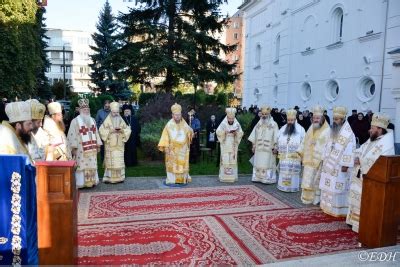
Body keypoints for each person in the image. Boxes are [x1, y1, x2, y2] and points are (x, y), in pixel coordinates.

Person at [346, 113, 394, 232]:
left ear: (379, 129)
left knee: (364, 202)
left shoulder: (386, 145)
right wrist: (356, 156)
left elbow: (380, 163)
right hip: (360, 176)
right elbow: (361, 149)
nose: (370, 130)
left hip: (371, 180)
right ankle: (353, 221)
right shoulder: (372, 139)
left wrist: (360, 161)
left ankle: (360, 223)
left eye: (372, 128)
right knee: (356, 200)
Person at [319, 106, 356, 217]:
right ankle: (326, 206)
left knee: (337, 187)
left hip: (339, 166)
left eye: (337, 119)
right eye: (334, 119)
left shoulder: (349, 134)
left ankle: (337, 210)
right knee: (328, 186)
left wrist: (346, 164)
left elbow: (351, 149)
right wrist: (323, 158)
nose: (334, 121)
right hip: (329, 165)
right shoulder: (332, 131)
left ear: (343, 120)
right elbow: (326, 145)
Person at [67, 99, 102, 188]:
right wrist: (74, 147)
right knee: (81, 165)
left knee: (92, 164)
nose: (86, 111)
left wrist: (98, 144)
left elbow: (96, 133)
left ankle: (92, 181)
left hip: (92, 147)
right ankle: (81, 183)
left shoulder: (93, 120)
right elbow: (72, 134)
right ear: (80, 111)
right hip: (81, 148)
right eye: (84, 110)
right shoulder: (75, 121)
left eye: (87, 109)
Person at [301, 105, 330, 205]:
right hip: (309, 159)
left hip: (319, 161)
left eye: (317, 118)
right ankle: (306, 198)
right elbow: (305, 141)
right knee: (307, 180)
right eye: (314, 118)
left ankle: (316, 199)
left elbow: (328, 146)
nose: (315, 120)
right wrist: (300, 151)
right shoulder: (311, 128)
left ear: (322, 118)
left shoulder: (327, 130)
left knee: (316, 181)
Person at [158, 103, 193, 185]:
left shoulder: (185, 124)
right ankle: (172, 180)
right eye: (175, 115)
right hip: (172, 150)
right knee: (173, 166)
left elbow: (189, 134)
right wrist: (166, 147)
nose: (177, 116)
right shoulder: (169, 125)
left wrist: (191, 132)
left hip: (182, 150)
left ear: (181, 115)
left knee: (182, 165)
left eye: (179, 115)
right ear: (172, 115)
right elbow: (165, 137)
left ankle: (182, 179)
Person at [99, 102, 131, 183]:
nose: (116, 114)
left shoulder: (120, 119)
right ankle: (109, 178)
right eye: (114, 112)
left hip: (119, 144)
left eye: (117, 112)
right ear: (111, 111)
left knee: (119, 161)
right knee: (111, 161)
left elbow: (128, 129)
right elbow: (101, 130)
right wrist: (110, 131)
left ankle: (120, 178)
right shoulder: (107, 120)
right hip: (110, 144)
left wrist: (122, 130)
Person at [276, 109, 305, 192]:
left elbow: (304, 142)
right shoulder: (282, 129)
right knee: (284, 172)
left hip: (295, 157)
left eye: (292, 120)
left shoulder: (301, 130)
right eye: (288, 120)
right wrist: (276, 148)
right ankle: (282, 186)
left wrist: (301, 153)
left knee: (293, 173)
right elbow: (277, 140)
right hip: (284, 156)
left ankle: (293, 187)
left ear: (295, 120)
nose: (290, 122)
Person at [248, 106, 278, 184]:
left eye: (266, 114)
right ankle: (257, 177)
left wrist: (275, 147)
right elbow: (254, 135)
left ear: (269, 114)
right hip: (259, 149)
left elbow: (276, 137)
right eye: (263, 114)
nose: (264, 116)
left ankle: (267, 178)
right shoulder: (258, 124)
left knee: (267, 163)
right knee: (258, 162)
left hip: (269, 150)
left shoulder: (274, 124)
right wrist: (253, 145)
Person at [216, 108, 243, 182]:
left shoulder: (237, 124)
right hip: (225, 144)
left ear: (234, 117)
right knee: (225, 159)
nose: (231, 120)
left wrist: (236, 133)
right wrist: (224, 132)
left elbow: (241, 133)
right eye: (229, 118)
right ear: (227, 117)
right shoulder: (223, 124)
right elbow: (218, 132)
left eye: (232, 118)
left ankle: (232, 177)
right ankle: (224, 177)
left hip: (233, 145)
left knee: (232, 160)